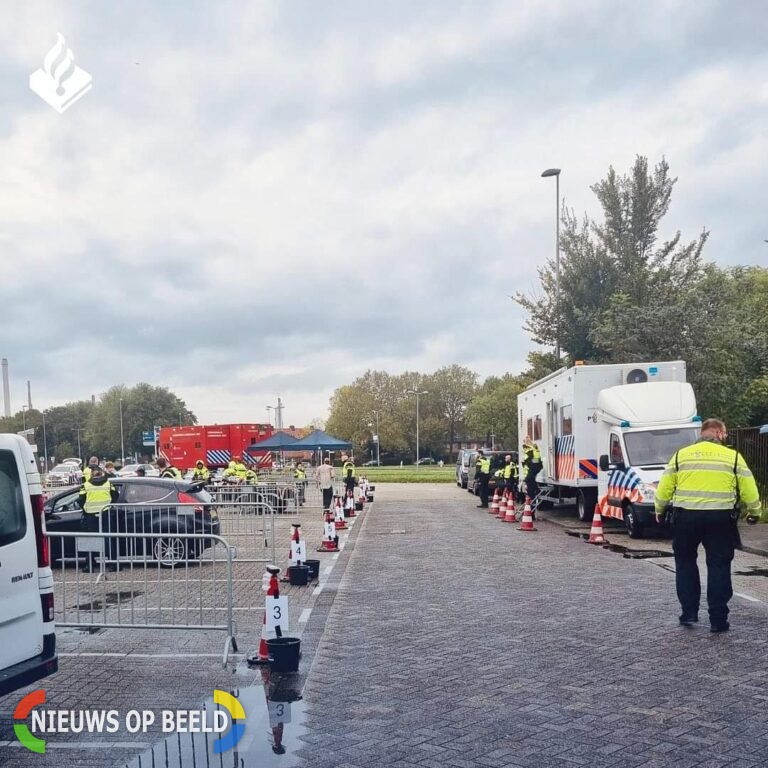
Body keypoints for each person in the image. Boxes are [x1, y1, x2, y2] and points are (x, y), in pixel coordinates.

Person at [654, 418, 761, 632]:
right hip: (720, 520)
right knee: (719, 566)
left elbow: (665, 487)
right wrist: (755, 512)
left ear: (702, 433)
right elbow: (749, 488)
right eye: (726, 434)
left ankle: (689, 613)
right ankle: (718, 619)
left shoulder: (680, 455)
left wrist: (659, 509)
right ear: (719, 433)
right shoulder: (733, 457)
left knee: (685, 564)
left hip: (686, 519)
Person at [77, 466, 118, 572]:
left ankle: (90, 566)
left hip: (91, 515)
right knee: (108, 538)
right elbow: (115, 495)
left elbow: (80, 500)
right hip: (106, 513)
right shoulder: (108, 483)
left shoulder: (86, 485)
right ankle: (113, 564)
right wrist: (110, 504)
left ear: (91, 475)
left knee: (91, 539)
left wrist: (85, 509)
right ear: (101, 473)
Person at [522, 436, 543, 502]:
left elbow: (528, 458)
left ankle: (534, 495)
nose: (525, 442)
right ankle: (535, 492)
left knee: (528, 480)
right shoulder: (532, 448)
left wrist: (524, 461)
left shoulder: (531, 448)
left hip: (534, 466)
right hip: (535, 466)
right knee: (530, 481)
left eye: (526, 441)